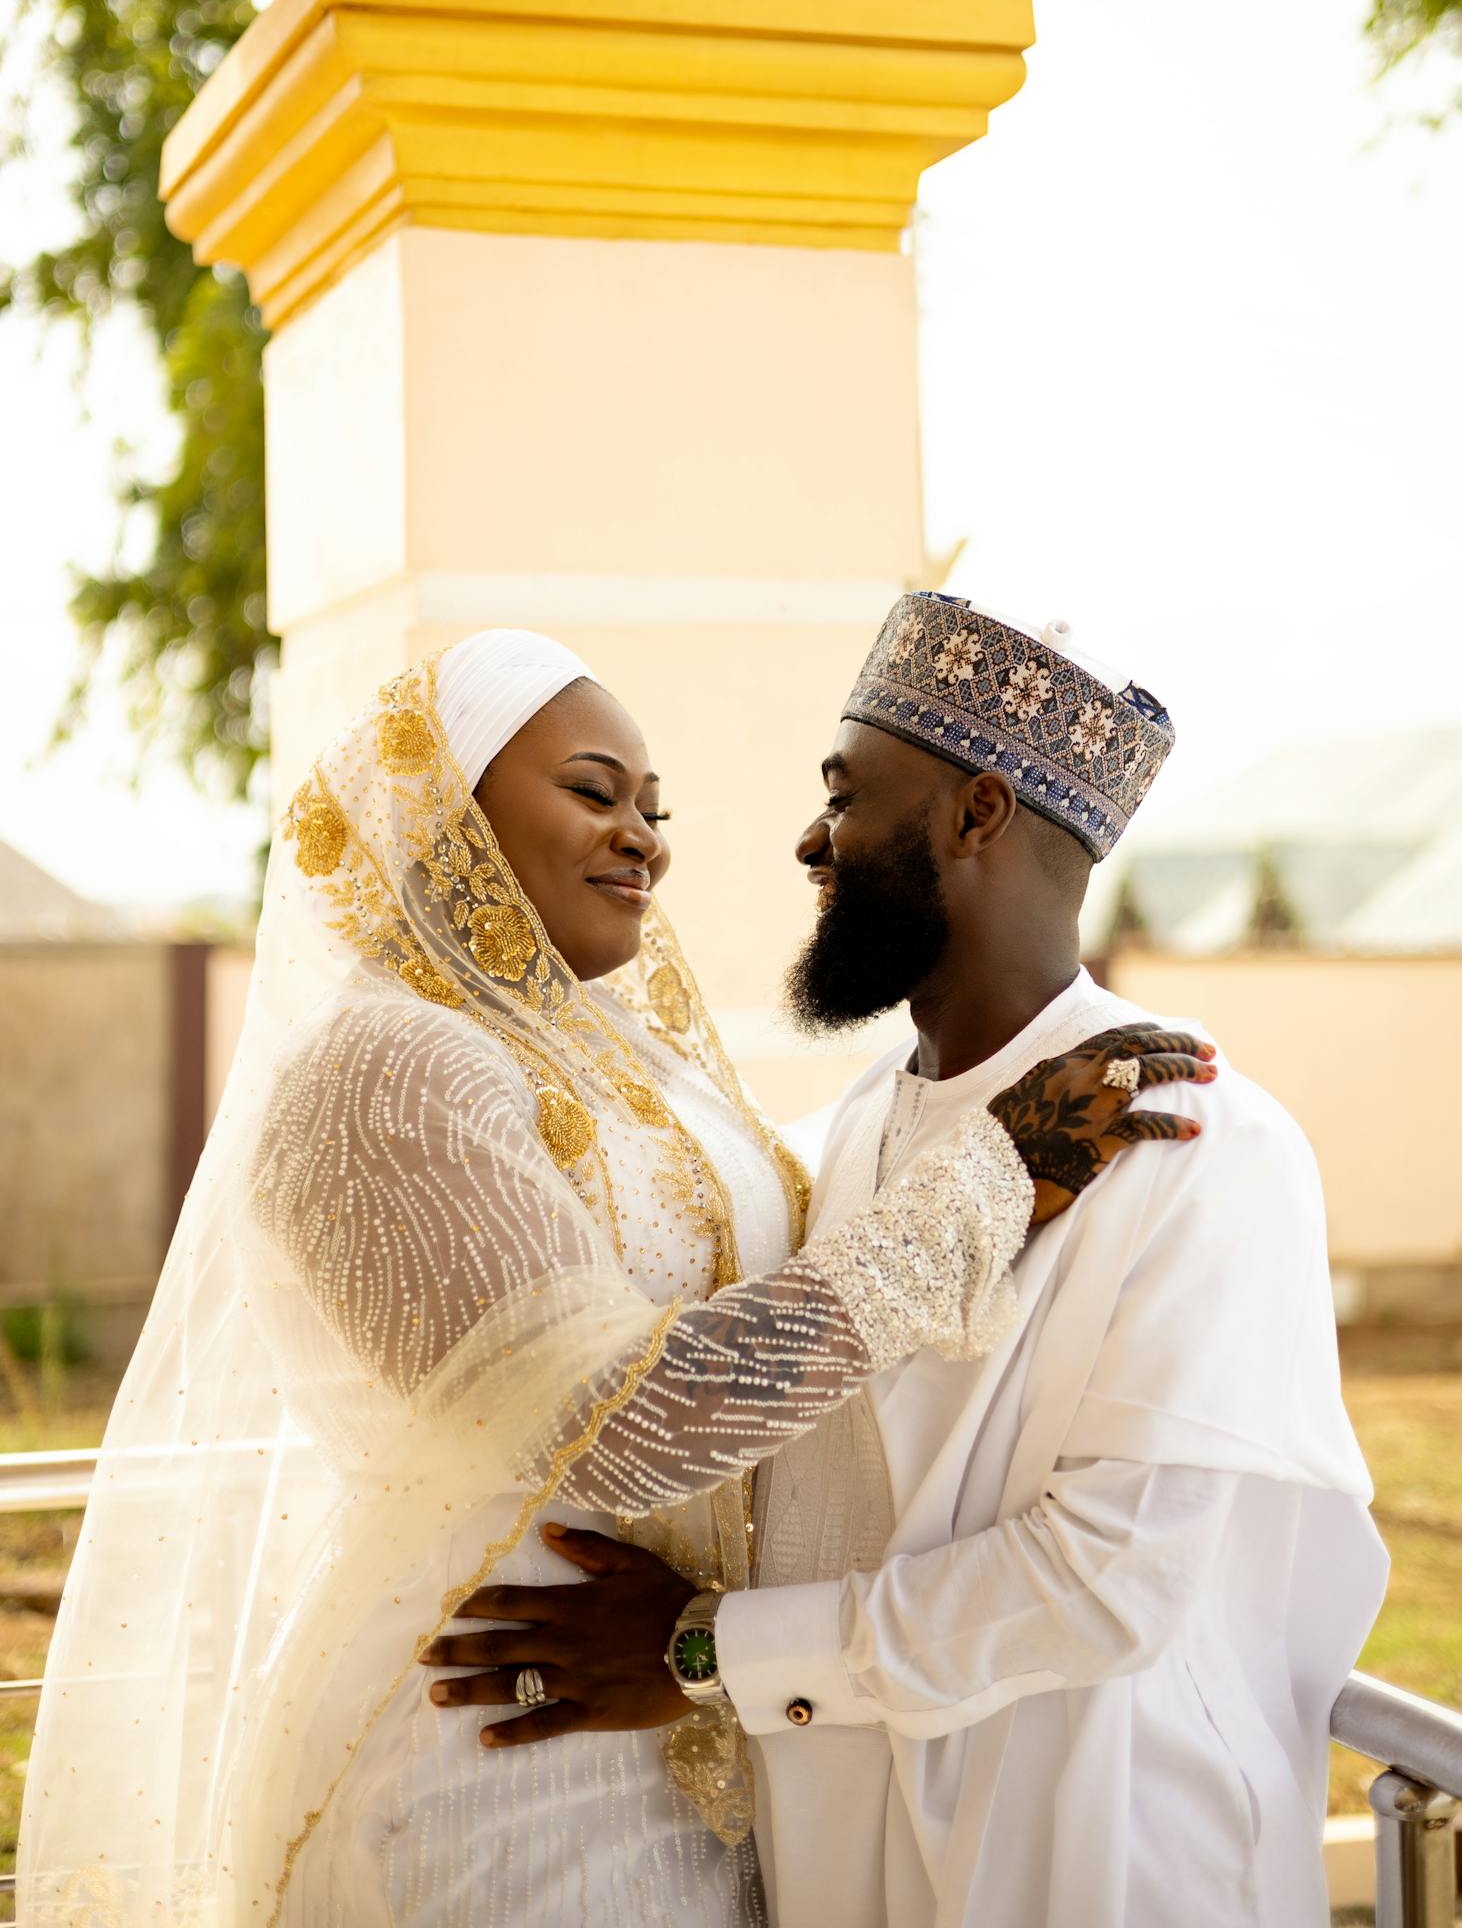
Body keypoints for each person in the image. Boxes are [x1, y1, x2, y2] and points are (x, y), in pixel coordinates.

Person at [17, 628, 1208, 1928]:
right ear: (437, 811)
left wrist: (709, 1652)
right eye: (593, 792)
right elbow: (616, 1431)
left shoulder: (613, 1068)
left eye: (654, 809)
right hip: (493, 1741)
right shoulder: (390, 1068)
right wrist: (985, 1180)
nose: (644, 836)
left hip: (655, 1721)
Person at [467, 597, 1388, 1928]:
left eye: (841, 796)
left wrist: (708, 1650)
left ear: (975, 814)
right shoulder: (847, 1138)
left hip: (1095, 1863)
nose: (807, 839)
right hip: (844, 1860)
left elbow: (1105, 1583)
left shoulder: (1196, 1139)